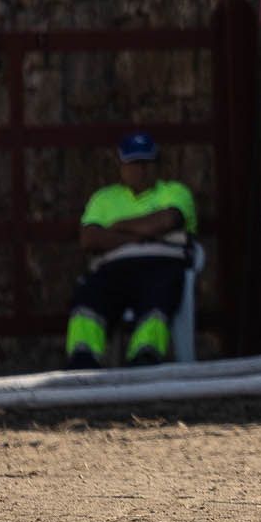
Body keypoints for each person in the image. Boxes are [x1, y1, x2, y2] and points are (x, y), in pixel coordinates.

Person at [64, 131, 197, 368]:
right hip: (113, 268)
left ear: (157, 165)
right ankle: (82, 358)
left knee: (158, 299)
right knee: (87, 297)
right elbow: (90, 238)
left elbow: (167, 220)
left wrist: (119, 227)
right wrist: (143, 234)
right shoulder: (104, 199)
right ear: (122, 166)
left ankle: (145, 355)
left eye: (146, 163)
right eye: (134, 163)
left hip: (161, 265)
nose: (141, 170)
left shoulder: (175, 192)